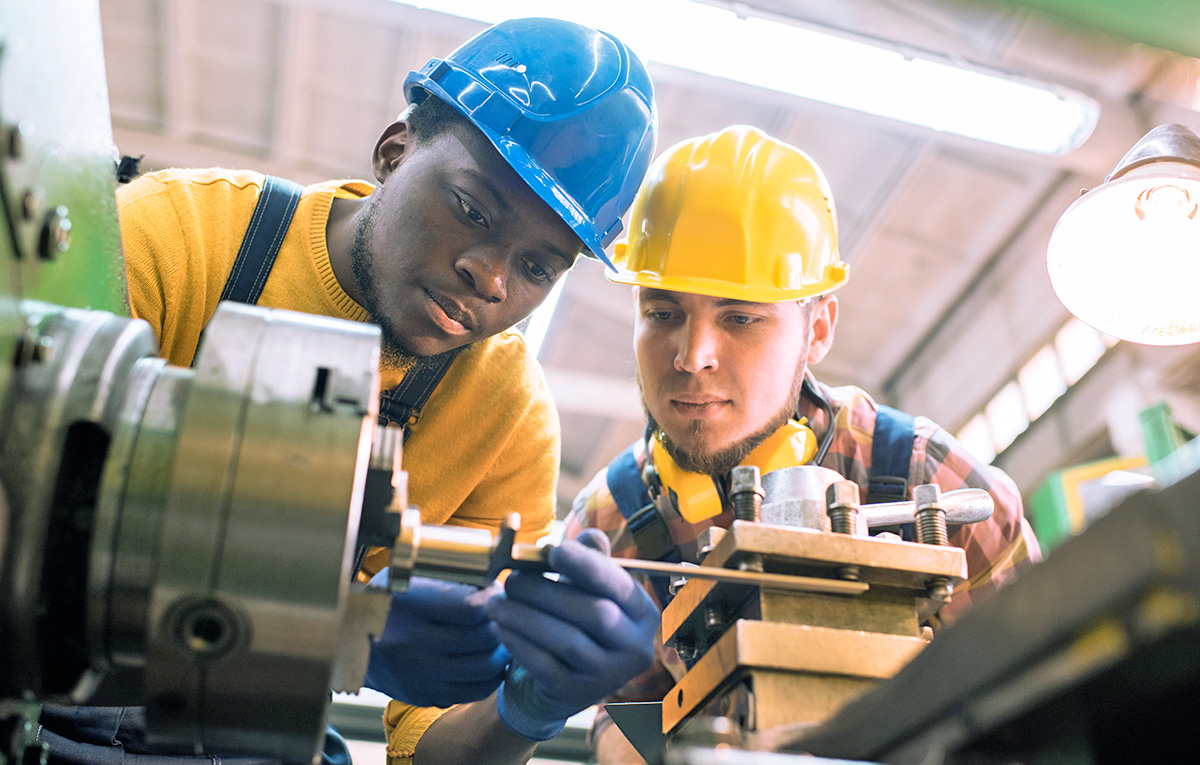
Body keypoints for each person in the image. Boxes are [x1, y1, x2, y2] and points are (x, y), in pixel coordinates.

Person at [38, 17, 660, 765]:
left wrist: (527, 707)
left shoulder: (508, 420)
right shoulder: (176, 237)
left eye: (537, 267)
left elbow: (428, 755)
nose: (490, 277)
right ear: (395, 153)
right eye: (472, 208)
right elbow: (30, 537)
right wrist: (328, 628)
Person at [563, 124, 1043, 763]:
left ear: (818, 329)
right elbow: (626, 719)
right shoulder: (608, 524)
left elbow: (1044, 708)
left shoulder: (936, 484)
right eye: (662, 312)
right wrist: (620, 738)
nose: (692, 356)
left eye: (740, 317)